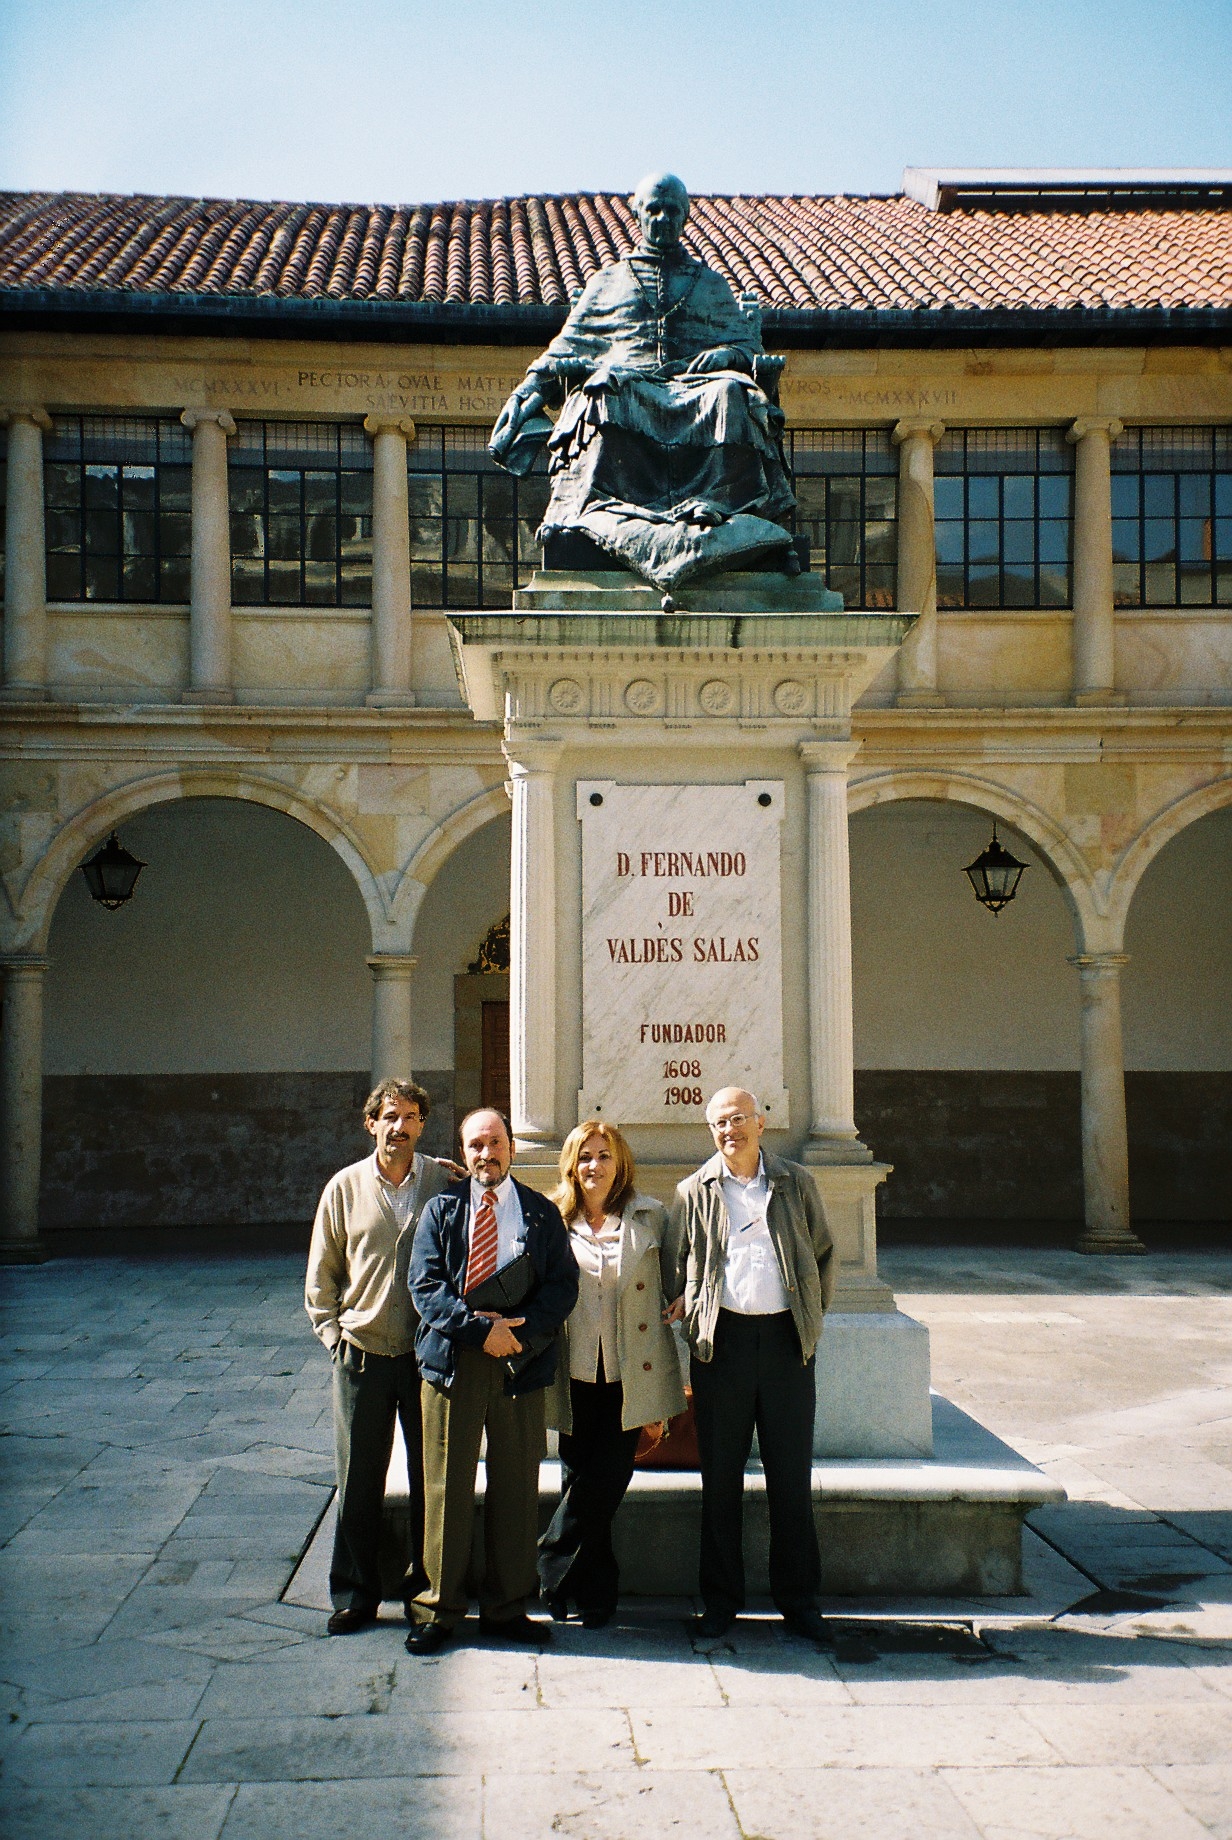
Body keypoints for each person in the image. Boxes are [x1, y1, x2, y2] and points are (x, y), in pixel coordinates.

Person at [489, 171, 799, 593]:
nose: (662, 218)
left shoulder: (711, 284)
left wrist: (728, 356)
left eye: (672, 210)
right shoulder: (607, 282)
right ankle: (602, 503)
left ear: (685, 216)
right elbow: (565, 348)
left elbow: (748, 349)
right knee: (605, 389)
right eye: (653, 209)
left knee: (729, 391)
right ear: (637, 214)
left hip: (695, 388)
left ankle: (719, 504)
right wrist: (528, 392)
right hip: (630, 386)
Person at [665, 1087, 835, 1642]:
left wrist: (809, 1319)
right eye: (719, 1123)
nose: (729, 1130)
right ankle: (720, 1603)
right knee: (720, 1480)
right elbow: (676, 1263)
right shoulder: (694, 1190)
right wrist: (692, 1310)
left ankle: (799, 1602)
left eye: (738, 1118)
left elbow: (823, 1254)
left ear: (761, 1123)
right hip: (723, 1347)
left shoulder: (794, 1183)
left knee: (791, 1478)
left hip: (786, 1345)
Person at [405, 1108, 578, 1652]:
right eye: (475, 1145)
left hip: (518, 1367)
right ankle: (437, 1608)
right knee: (445, 1486)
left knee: (516, 1487)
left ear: (511, 1147)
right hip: (454, 1363)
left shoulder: (541, 1213)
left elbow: (562, 1286)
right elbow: (425, 1284)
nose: (487, 1153)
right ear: (463, 1153)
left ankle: (506, 1608)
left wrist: (518, 1335)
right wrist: (480, 1331)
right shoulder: (441, 1210)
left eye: (495, 1142)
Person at [305, 1078, 453, 1634]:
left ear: (422, 1125)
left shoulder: (440, 1181)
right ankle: (354, 1593)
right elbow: (322, 1272)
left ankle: (425, 1593)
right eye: (390, 1116)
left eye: (411, 1117)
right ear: (372, 1124)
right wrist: (333, 1337)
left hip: (424, 1356)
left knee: (428, 1477)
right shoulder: (344, 1188)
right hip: (362, 1354)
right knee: (358, 1479)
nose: (400, 1127)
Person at [538, 1120, 686, 1628]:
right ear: (571, 1165)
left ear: (620, 1162)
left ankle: (550, 1559)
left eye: (604, 1155)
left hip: (631, 1370)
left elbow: (678, 1277)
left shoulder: (651, 1215)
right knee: (578, 1476)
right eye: (585, 1156)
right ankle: (591, 1594)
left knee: (608, 1475)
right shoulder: (553, 1218)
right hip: (574, 1368)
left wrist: (685, 1298)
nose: (594, 1166)